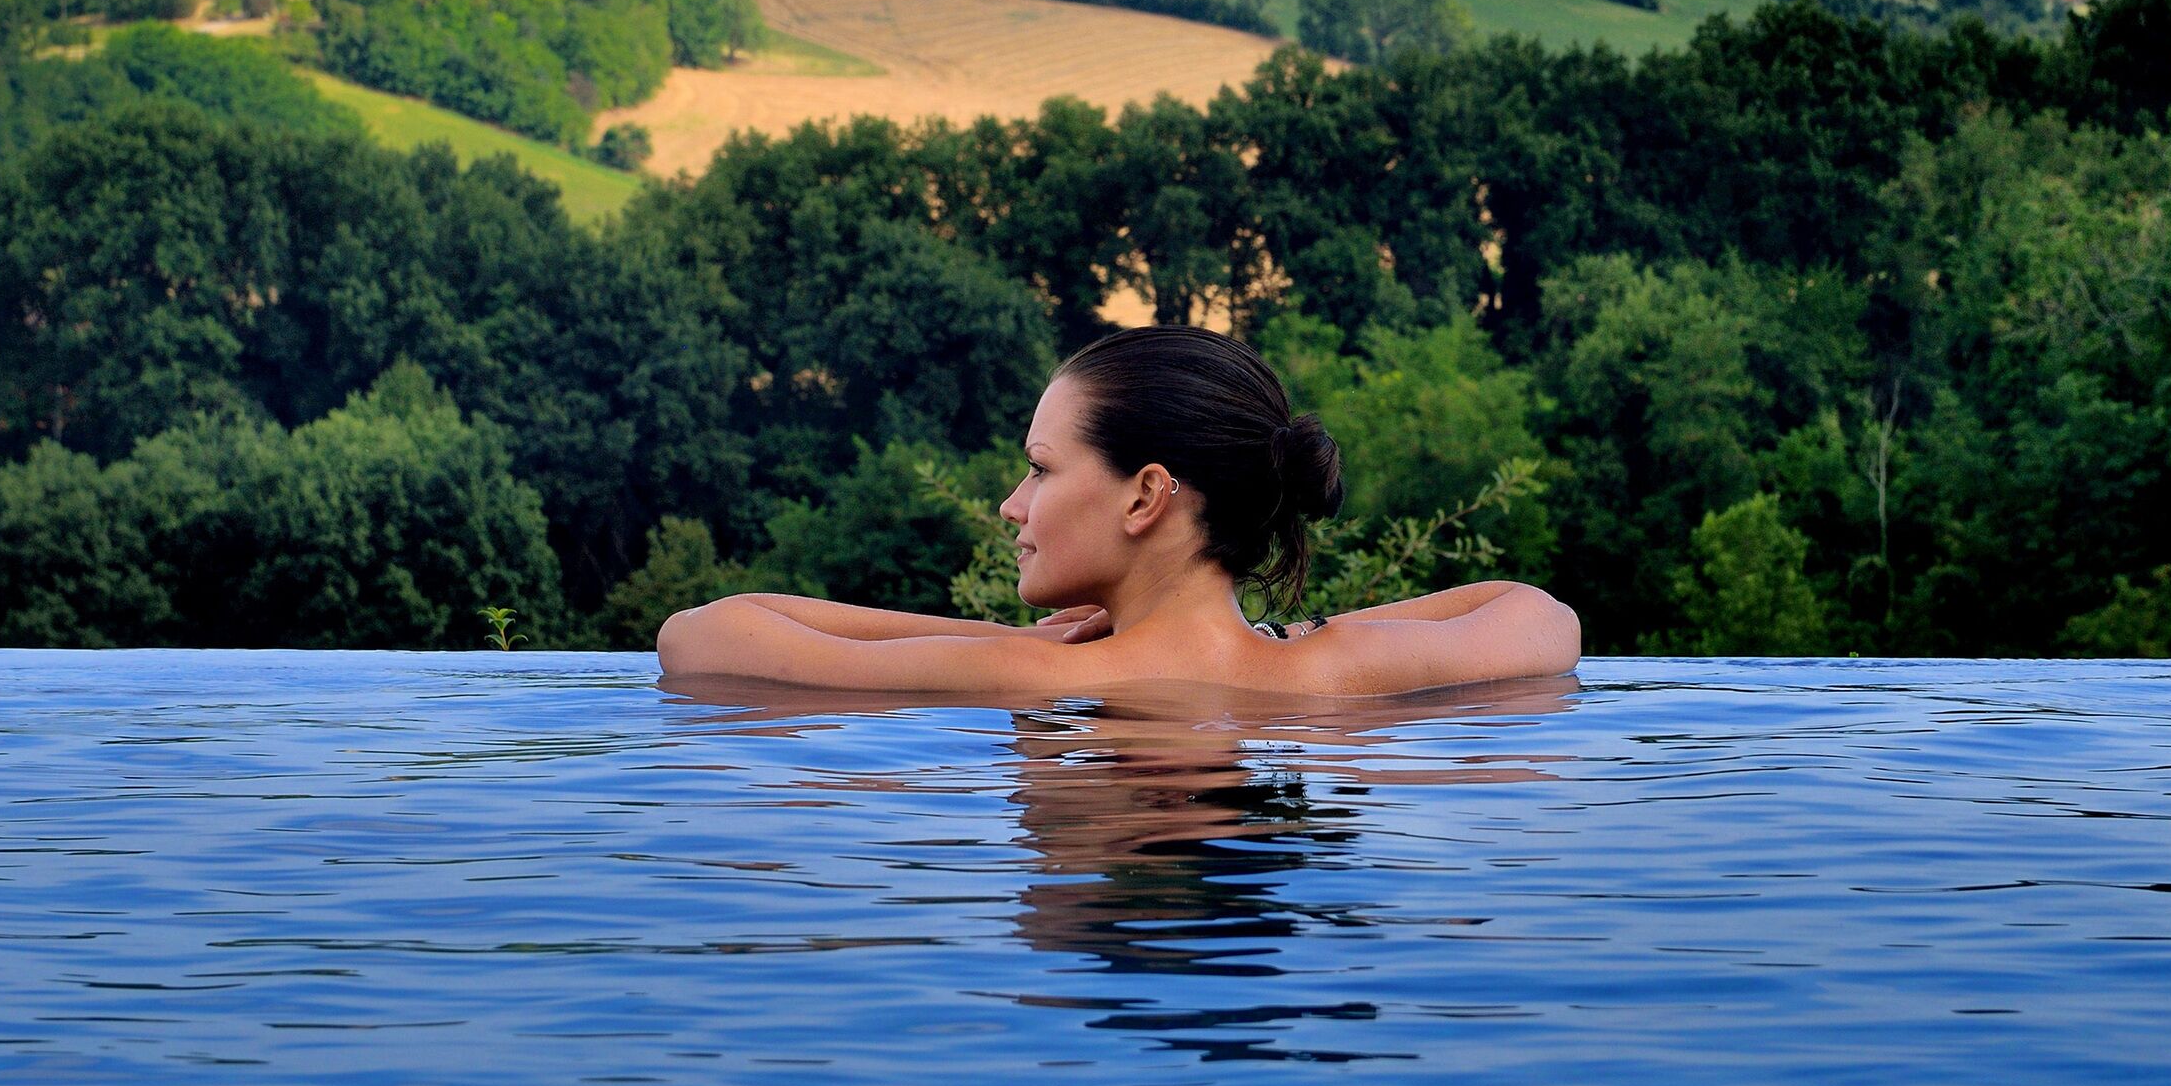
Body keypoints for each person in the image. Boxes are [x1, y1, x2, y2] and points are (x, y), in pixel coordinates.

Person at [657, 325, 1581, 695]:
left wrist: (1011, 645)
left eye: (1041, 470)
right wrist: (1286, 635)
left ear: (1145, 494)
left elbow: (699, 638)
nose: (1014, 506)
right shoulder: (1336, 673)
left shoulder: (1042, 679)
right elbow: (1541, 616)